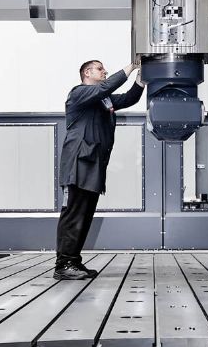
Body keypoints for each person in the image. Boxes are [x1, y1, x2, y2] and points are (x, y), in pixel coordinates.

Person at [54, 60, 144, 280]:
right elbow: (106, 87)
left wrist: (141, 80)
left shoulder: (102, 100)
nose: (104, 72)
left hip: (93, 165)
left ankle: (73, 262)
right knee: (74, 215)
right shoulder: (79, 93)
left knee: (84, 216)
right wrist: (131, 67)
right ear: (87, 72)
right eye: (100, 69)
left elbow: (128, 98)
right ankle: (63, 264)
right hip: (78, 164)